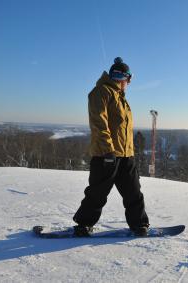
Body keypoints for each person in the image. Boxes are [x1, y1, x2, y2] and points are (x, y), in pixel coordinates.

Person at [73, 57, 150, 237]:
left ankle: (139, 224)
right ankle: (84, 224)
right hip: (106, 155)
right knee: (98, 193)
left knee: (133, 192)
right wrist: (108, 150)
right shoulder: (101, 92)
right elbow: (99, 123)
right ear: (124, 78)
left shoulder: (120, 97)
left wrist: (129, 152)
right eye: (128, 80)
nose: (128, 84)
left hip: (125, 155)